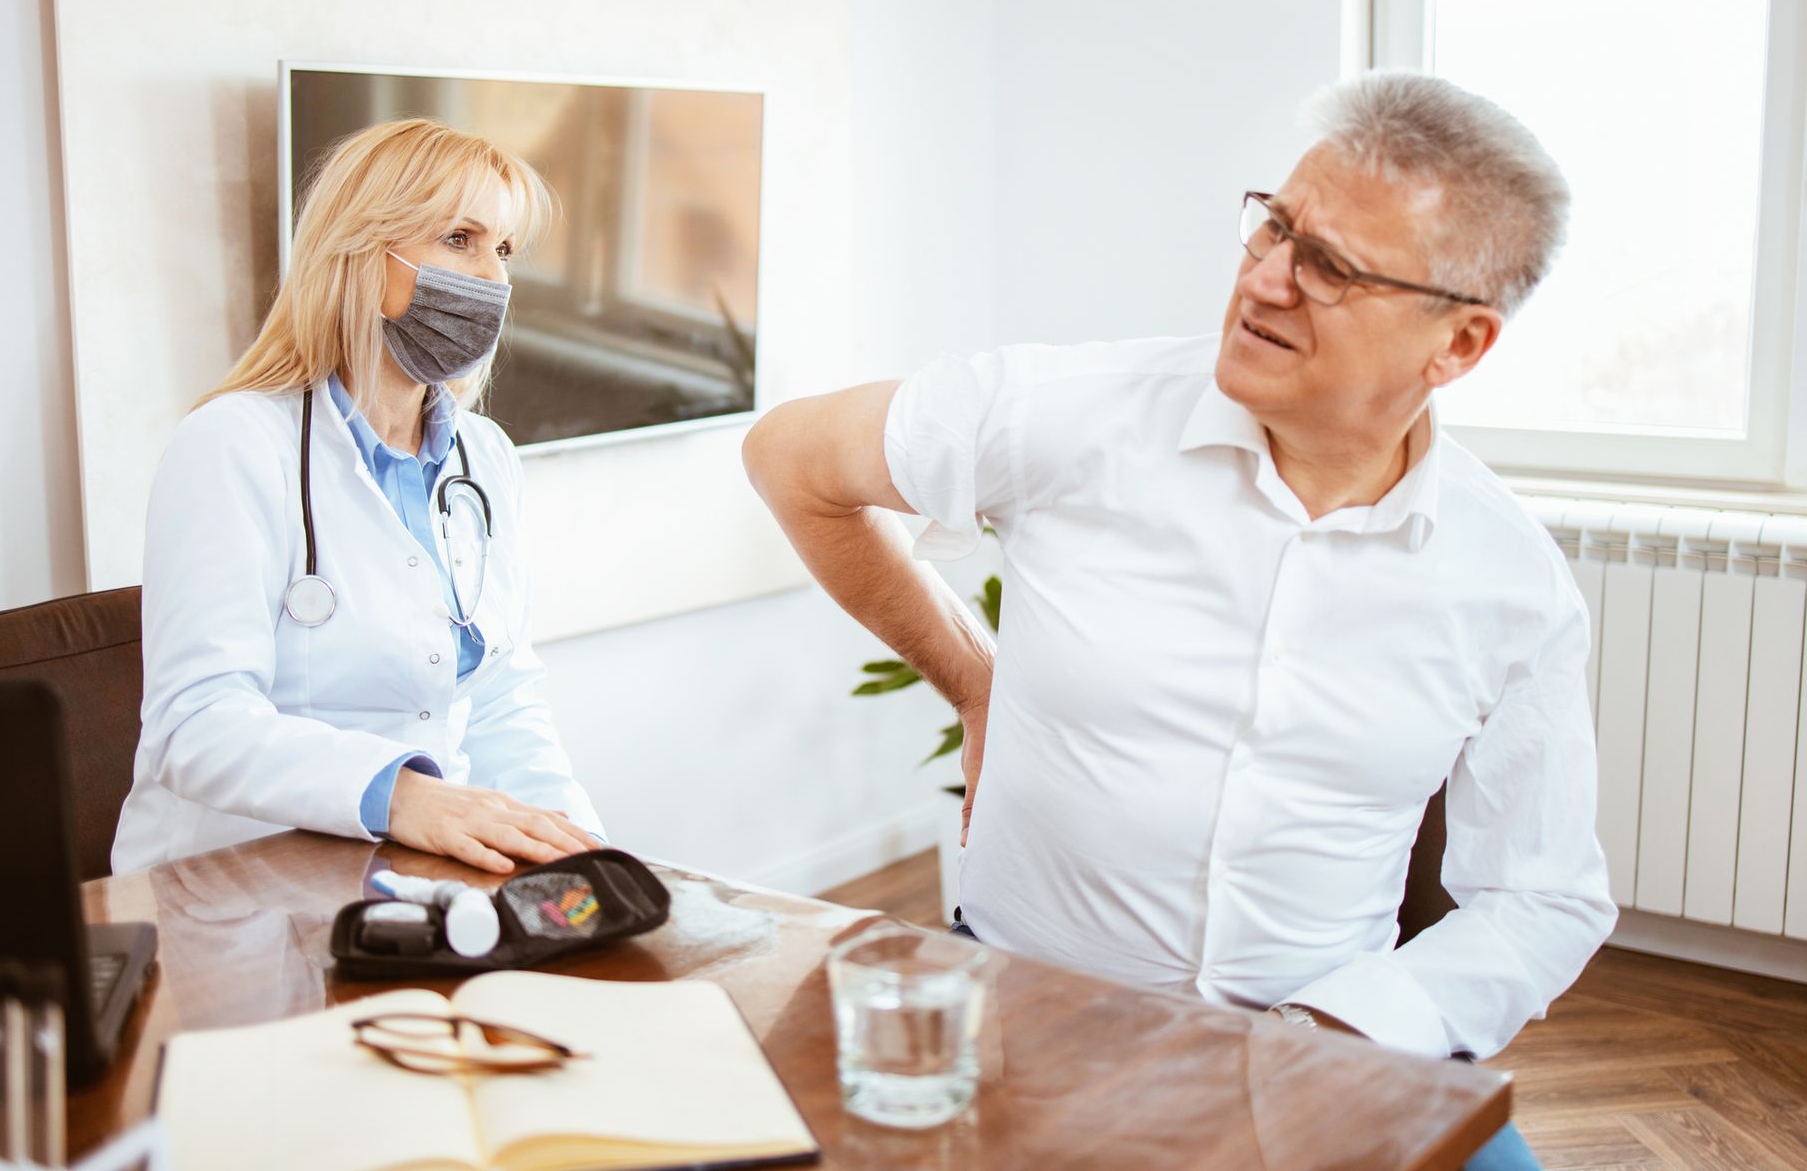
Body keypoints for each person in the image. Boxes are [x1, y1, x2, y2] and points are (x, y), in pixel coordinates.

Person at [742, 72, 1615, 1171]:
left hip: (1334, 1054)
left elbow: (1542, 895)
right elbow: (790, 458)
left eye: (1331, 266)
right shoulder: (1064, 413)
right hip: (1031, 1019)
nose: (1266, 278)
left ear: (1459, 345)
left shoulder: (1510, 581)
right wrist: (974, 677)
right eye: (1275, 225)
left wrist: (1335, 1029)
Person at [113, 118, 604, 876]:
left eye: (503, 250)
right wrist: (405, 797)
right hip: (236, 879)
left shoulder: (486, 458)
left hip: (411, 869)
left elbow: (503, 697)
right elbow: (195, 725)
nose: (495, 283)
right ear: (362, 253)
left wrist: (578, 850)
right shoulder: (234, 445)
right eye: (460, 239)